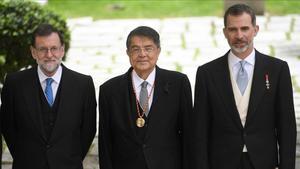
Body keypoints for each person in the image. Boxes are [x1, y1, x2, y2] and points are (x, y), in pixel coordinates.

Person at [192, 4, 296, 169]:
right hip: (221, 162)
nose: (239, 35)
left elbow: (287, 126)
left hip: (264, 162)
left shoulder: (278, 69)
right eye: (233, 30)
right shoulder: (207, 73)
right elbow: (200, 130)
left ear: (256, 30)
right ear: (225, 32)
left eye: (245, 28)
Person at [0, 23, 96, 169]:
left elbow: (88, 130)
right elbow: (8, 127)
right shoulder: (14, 84)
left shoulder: (83, 85)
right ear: (33, 52)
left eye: (54, 49)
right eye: (43, 49)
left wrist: (69, 159)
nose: (49, 55)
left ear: (62, 50)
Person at [98, 26, 193, 169]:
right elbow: (105, 143)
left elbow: (188, 135)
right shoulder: (109, 90)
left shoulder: (178, 84)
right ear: (128, 53)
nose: (142, 54)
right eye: (136, 49)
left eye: (148, 48)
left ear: (158, 51)